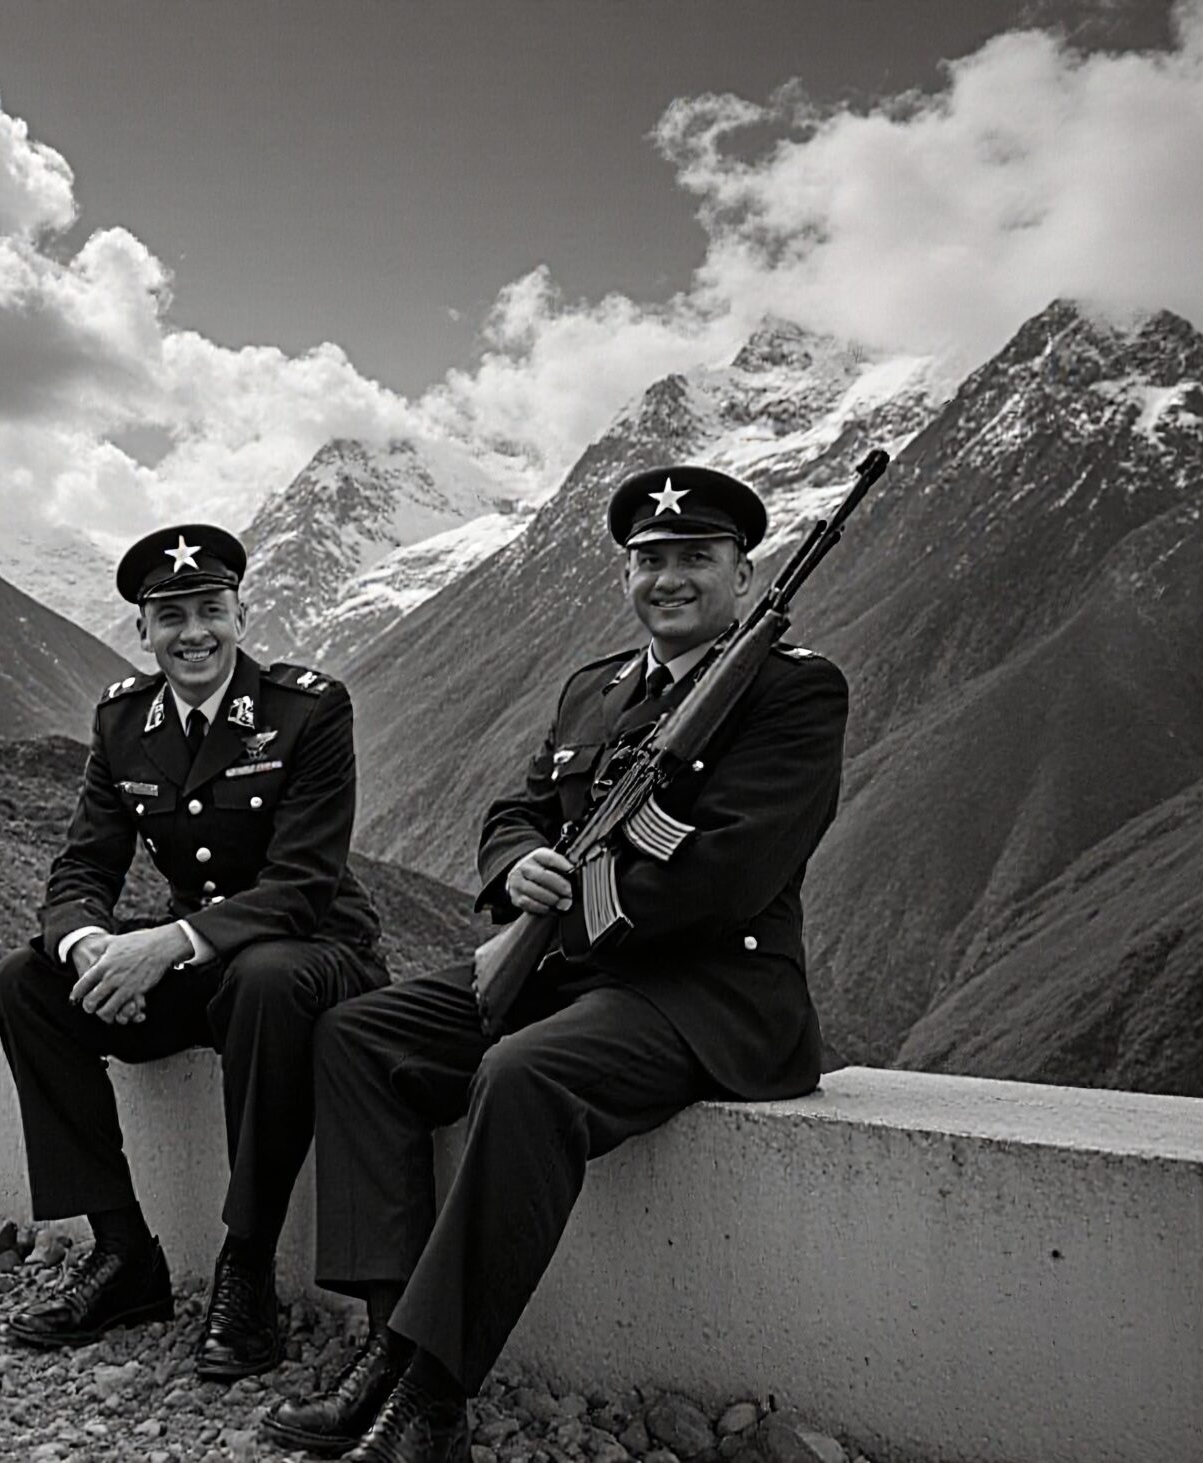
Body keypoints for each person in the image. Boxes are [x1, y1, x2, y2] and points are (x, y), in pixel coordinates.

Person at [265, 467, 847, 1461]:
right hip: (575, 974)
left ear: (741, 574)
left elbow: (733, 869)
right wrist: (515, 866)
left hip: (706, 991)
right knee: (359, 1034)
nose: (667, 577)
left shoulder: (794, 690)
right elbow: (518, 810)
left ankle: (431, 1392)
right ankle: (384, 1343)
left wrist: (565, 911)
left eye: (693, 558)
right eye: (648, 559)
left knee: (523, 1070)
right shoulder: (596, 688)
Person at [0, 522, 389, 1381]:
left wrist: (167, 944)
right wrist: (94, 947)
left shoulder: (308, 709)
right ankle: (124, 1253)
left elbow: (302, 885)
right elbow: (83, 865)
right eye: (170, 616)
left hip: (316, 956)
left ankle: (246, 1268)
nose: (193, 632)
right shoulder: (124, 721)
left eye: (210, 609)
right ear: (143, 629)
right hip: (209, 968)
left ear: (242, 614)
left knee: (264, 974)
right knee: (26, 983)